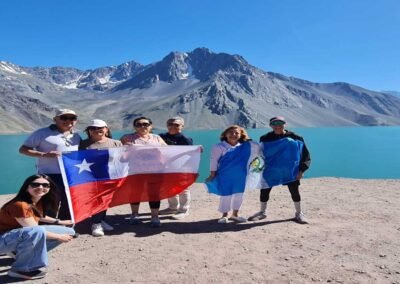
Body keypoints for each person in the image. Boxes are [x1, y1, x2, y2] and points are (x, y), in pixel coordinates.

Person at [0, 174, 75, 280]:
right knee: (38, 232)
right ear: (27, 187)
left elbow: (39, 216)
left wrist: (59, 221)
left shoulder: (36, 200)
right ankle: (21, 270)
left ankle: (21, 254)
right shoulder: (20, 205)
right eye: (35, 184)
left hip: (12, 236)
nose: (40, 187)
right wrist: (59, 237)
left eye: (45, 185)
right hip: (2, 239)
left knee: (69, 231)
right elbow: (35, 230)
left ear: (49, 188)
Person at [19, 109, 81, 220]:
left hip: (70, 175)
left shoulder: (76, 136)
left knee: (69, 202)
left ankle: (65, 226)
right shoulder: (42, 133)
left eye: (72, 118)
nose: (68, 121)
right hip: (49, 175)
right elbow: (23, 149)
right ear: (55, 119)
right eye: (64, 118)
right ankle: (47, 228)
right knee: (50, 203)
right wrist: (43, 154)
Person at [248, 116, 311, 224]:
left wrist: (301, 170)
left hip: (290, 170)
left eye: (280, 123)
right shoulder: (265, 138)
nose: (277, 126)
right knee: (264, 189)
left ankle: (299, 213)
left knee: (294, 191)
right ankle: (262, 212)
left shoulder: (295, 137)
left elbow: (305, 155)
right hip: (271, 170)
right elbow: (260, 153)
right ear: (271, 125)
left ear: (284, 124)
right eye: (274, 123)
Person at [120, 116, 167, 227]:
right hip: (136, 171)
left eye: (145, 124)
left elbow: (168, 151)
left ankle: (155, 216)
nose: (142, 126)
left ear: (151, 126)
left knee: (154, 194)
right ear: (135, 127)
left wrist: (193, 150)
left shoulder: (157, 138)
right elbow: (121, 156)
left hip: (155, 171)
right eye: (139, 124)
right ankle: (134, 214)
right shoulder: (127, 138)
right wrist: (126, 149)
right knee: (136, 192)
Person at [79, 119, 123, 237]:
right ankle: (96, 223)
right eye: (93, 128)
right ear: (89, 131)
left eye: (100, 128)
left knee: (106, 200)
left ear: (106, 129)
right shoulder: (83, 144)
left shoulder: (116, 143)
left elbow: (122, 160)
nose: (97, 130)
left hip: (110, 176)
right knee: (96, 200)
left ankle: (100, 219)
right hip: (90, 178)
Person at [206, 125, 250, 224]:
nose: (233, 135)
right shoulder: (219, 146)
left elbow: (255, 153)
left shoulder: (244, 146)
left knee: (239, 194)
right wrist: (212, 174)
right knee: (226, 195)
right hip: (225, 175)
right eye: (231, 132)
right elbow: (213, 160)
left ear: (241, 135)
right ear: (225, 134)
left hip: (241, 175)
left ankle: (235, 215)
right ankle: (224, 215)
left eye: (236, 133)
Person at [159, 117, 193, 220]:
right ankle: (173, 207)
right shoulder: (160, 137)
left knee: (183, 189)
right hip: (166, 167)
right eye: (170, 124)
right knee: (169, 187)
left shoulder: (186, 139)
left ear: (182, 126)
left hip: (182, 168)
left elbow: (190, 154)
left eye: (176, 125)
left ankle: (184, 210)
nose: (173, 126)